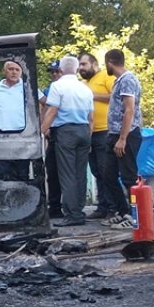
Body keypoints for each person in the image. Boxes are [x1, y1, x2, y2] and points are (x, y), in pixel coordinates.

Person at [40, 56, 94, 226]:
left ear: (61, 70)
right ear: (77, 70)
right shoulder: (86, 89)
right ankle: (79, 211)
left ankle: (72, 215)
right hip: (84, 130)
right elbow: (91, 117)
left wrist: (40, 132)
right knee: (80, 174)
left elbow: (51, 111)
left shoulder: (57, 86)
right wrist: (89, 137)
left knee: (67, 174)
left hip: (65, 132)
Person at [101, 48, 142, 229]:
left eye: (106, 63)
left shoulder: (128, 80)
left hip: (126, 135)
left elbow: (129, 110)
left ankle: (135, 216)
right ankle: (122, 211)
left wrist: (123, 138)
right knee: (107, 174)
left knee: (128, 176)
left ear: (110, 61)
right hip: (114, 134)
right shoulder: (119, 81)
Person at [78, 52, 117, 220]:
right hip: (90, 131)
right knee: (96, 171)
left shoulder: (106, 77)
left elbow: (116, 97)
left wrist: (92, 95)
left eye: (84, 64)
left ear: (94, 64)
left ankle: (114, 208)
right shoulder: (85, 83)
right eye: (79, 65)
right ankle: (102, 207)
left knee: (106, 170)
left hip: (106, 131)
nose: (81, 68)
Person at [40, 60, 64, 216]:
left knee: (67, 172)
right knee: (52, 169)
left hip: (66, 130)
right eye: (52, 72)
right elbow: (45, 109)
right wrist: (44, 127)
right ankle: (54, 206)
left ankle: (70, 207)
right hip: (52, 132)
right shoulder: (49, 89)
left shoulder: (70, 88)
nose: (54, 74)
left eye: (57, 71)